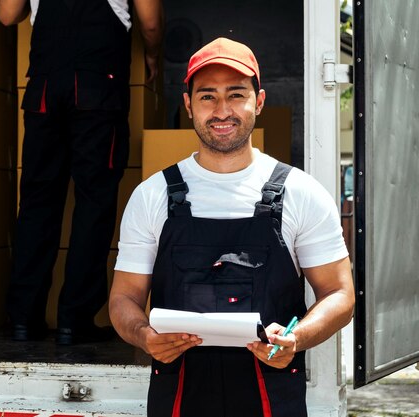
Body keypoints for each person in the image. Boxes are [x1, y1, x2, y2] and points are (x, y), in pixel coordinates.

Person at [109, 37, 355, 417]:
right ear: (189, 105)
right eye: (207, 96)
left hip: (271, 397)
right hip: (178, 398)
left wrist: (295, 339)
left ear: (258, 101)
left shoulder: (300, 193)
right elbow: (123, 298)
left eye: (236, 94)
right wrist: (144, 336)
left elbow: (340, 294)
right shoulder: (151, 196)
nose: (222, 110)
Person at [0, 0, 164, 345]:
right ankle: (74, 320)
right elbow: (149, 22)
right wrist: (153, 54)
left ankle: (23, 319)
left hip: (45, 88)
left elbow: (7, 14)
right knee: (93, 202)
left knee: (37, 203)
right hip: (98, 87)